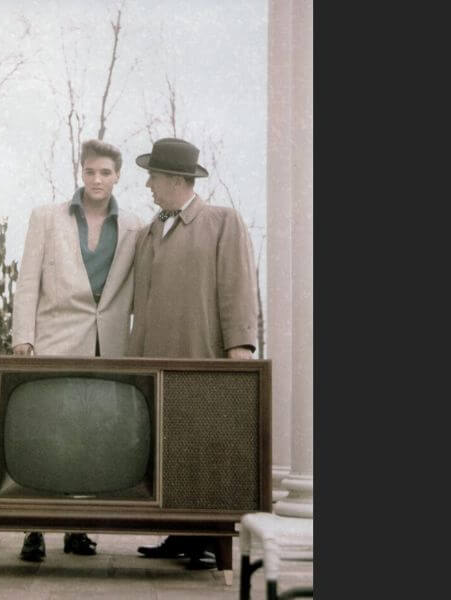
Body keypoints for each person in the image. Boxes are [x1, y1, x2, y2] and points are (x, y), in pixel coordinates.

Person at [127, 137, 259, 569]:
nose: (148, 184)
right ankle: (179, 534)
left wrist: (239, 346)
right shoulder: (150, 230)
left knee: (203, 447)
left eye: (153, 176)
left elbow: (238, 287)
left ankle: (205, 538)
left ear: (176, 179)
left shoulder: (223, 222)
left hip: (202, 354)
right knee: (167, 447)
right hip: (154, 359)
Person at [11, 138, 143, 562]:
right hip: (54, 337)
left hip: (108, 343)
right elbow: (28, 281)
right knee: (49, 430)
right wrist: (22, 336)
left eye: (105, 172)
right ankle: (33, 529)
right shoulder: (46, 218)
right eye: (90, 172)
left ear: (118, 175)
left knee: (90, 435)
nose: (97, 180)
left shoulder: (135, 226)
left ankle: (77, 528)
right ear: (80, 172)